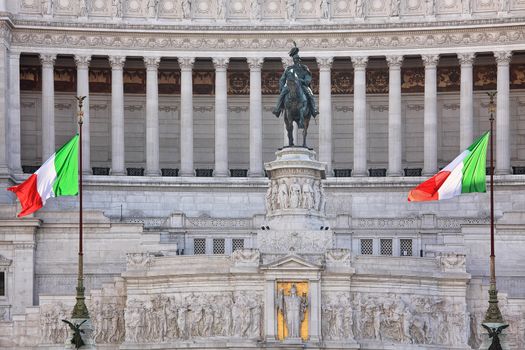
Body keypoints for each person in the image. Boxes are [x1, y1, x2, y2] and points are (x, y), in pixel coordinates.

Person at [272, 44, 319, 128]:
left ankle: (314, 109)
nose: (296, 61)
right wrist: (282, 87)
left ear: (299, 60)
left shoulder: (304, 68)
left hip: (302, 85)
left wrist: (305, 81)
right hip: (290, 86)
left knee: (310, 95)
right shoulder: (289, 69)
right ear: (293, 60)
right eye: (295, 59)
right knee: (282, 94)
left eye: (297, 59)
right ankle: (277, 109)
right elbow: (282, 79)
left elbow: (308, 77)